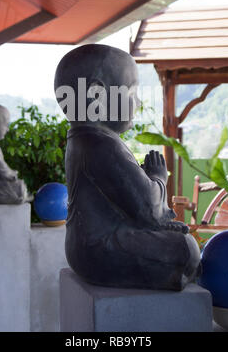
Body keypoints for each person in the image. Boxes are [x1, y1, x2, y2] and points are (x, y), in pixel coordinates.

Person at [54, 44, 200, 290]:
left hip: (84, 249)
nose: (138, 102)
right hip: (100, 251)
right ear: (97, 94)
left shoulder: (83, 139)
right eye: (131, 93)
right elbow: (148, 210)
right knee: (185, 247)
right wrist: (157, 176)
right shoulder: (100, 144)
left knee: (182, 242)